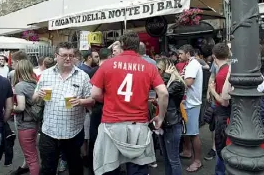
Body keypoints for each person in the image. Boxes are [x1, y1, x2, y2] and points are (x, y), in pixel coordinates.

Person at [90, 31, 169, 175]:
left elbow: (94, 94)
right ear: (138, 46)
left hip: (111, 125)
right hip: (138, 126)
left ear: (122, 45)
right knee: (137, 169)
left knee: (110, 168)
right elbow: (163, 93)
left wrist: (109, 99)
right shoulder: (149, 66)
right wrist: (161, 116)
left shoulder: (107, 65)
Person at [33, 42, 95, 175]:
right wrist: (38, 95)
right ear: (56, 56)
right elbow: (34, 98)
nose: (68, 58)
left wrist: (80, 101)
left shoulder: (82, 76)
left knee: (75, 167)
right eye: (64, 55)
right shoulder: (46, 74)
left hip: (73, 131)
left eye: (71, 55)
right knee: (48, 168)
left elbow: (92, 99)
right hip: (50, 130)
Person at [157, 58, 185, 175]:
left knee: (173, 160)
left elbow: (163, 94)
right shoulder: (170, 82)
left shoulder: (177, 83)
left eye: (159, 69)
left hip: (172, 124)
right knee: (167, 159)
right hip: (165, 123)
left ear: (166, 69)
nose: (157, 72)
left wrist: (166, 77)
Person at [178, 44, 203, 172]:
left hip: (192, 103)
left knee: (193, 133)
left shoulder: (193, 65)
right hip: (189, 102)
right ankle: (188, 151)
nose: (179, 56)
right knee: (188, 131)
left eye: (181, 54)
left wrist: (176, 78)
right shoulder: (190, 64)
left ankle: (197, 161)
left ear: (188, 53)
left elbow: (188, 82)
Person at [12, 60, 40, 175]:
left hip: (25, 124)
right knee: (32, 152)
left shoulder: (20, 86)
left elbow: (21, 107)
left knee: (31, 157)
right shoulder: (35, 84)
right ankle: (27, 167)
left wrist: (11, 108)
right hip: (35, 122)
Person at [208, 43, 231, 175]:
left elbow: (224, 101)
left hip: (222, 115)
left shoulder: (222, 74)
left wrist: (212, 90)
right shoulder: (227, 69)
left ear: (214, 56)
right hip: (226, 115)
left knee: (221, 148)